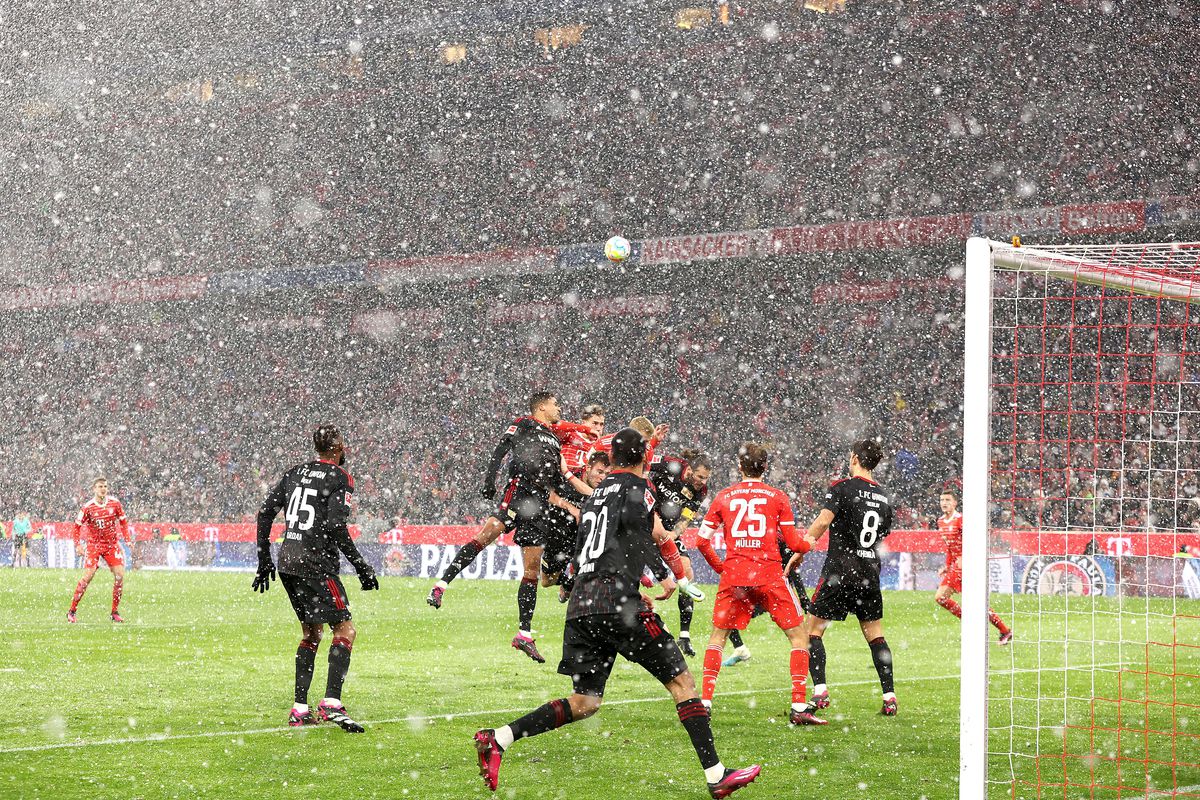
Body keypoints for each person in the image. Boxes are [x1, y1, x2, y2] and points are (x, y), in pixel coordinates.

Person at [472, 428, 762, 798]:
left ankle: (499, 738)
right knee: (683, 684)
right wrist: (666, 576)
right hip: (617, 604)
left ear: (611, 459)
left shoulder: (594, 497)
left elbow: (588, 550)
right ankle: (716, 774)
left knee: (585, 701)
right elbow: (655, 533)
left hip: (582, 606)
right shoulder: (640, 489)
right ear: (643, 457)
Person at [428, 391, 603, 664]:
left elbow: (563, 477)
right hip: (518, 493)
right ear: (542, 406)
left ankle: (524, 634)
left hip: (539, 505)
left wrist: (594, 498)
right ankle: (440, 585)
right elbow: (501, 448)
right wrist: (489, 480)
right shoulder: (523, 423)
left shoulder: (555, 439)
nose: (559, 408)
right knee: (484, 538)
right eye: (555, 404)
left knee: (532, 571)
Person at [253, 424, 379, 732]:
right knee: (345, 631)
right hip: (316, 562)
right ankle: (331, 703)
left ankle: (299, 709)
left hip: (288, 561)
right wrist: (361, 565)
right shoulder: (340, 477)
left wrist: (264, 559)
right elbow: (337, 526)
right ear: (338, 448)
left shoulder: (294, 473)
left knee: (311, 634)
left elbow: (265, 513)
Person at [694, 443, 824, 725]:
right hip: (768, 576)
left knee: (718, 638)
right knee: (799, 638)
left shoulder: (723, 497)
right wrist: (809, 543)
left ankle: (704, 703)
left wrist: (723, 568)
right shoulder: (777, 497)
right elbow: (792, 543)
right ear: (765, 467)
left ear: (739, 467)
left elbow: (701, 541)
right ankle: (799, 706)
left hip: (735, 576)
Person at [798, 439, 898, 716]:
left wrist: (802, 549)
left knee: (812, 631)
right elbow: (881, 534)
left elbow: (822, 522)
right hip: (869, 572)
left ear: (854, 458)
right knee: (875, 636)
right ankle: (889, 696)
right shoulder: (885, 497)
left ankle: (820, 692)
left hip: (839, 571)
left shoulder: (842, 487)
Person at [648, 449, 712, 656]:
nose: (702, 481)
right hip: (645, 521)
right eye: (700, 476)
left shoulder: (700, 492)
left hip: (667, 531)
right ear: (690, 469)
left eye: (706, 478)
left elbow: (685, 520)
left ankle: (684, 636)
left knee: (687, 573)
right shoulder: (670, 464)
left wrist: (671, 535)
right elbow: (644, 463)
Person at [934, 488, 1012, 644]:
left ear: (955, 503)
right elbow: (950, 547)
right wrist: (948, 565)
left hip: (969, 563)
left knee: (941, 597)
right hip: (958, 565)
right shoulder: (941, 522)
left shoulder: (961, 519)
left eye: (948, 500)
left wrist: (967, 557)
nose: (944, 503)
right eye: (942, 500)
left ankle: (974, 624)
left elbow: (974, 540)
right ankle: (1005, 631)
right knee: (976, 601)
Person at [541, 451, 610, 600]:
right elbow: (549, 494)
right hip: (558, 532)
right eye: (599, 472)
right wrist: (569, 507)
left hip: (582, 540)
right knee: (547, 581)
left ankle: (575, 589)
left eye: (606, 473)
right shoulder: (570, 476)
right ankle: (568, 583)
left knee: (586, 584)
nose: (602, 477)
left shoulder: (604, 489)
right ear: (587, 468)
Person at [67, 478, 133, 623]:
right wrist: (78, 545)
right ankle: (72, 611)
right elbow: (76, 527)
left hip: (111, 545)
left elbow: (123, 523)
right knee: (88, 576)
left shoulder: (115, 504)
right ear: (94, 489)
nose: (103, 489)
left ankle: (114, 612)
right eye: (100, 486)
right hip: (94, 545)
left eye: (105, 486)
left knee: (120, 575)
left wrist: (127, 539)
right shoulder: (88, 507)